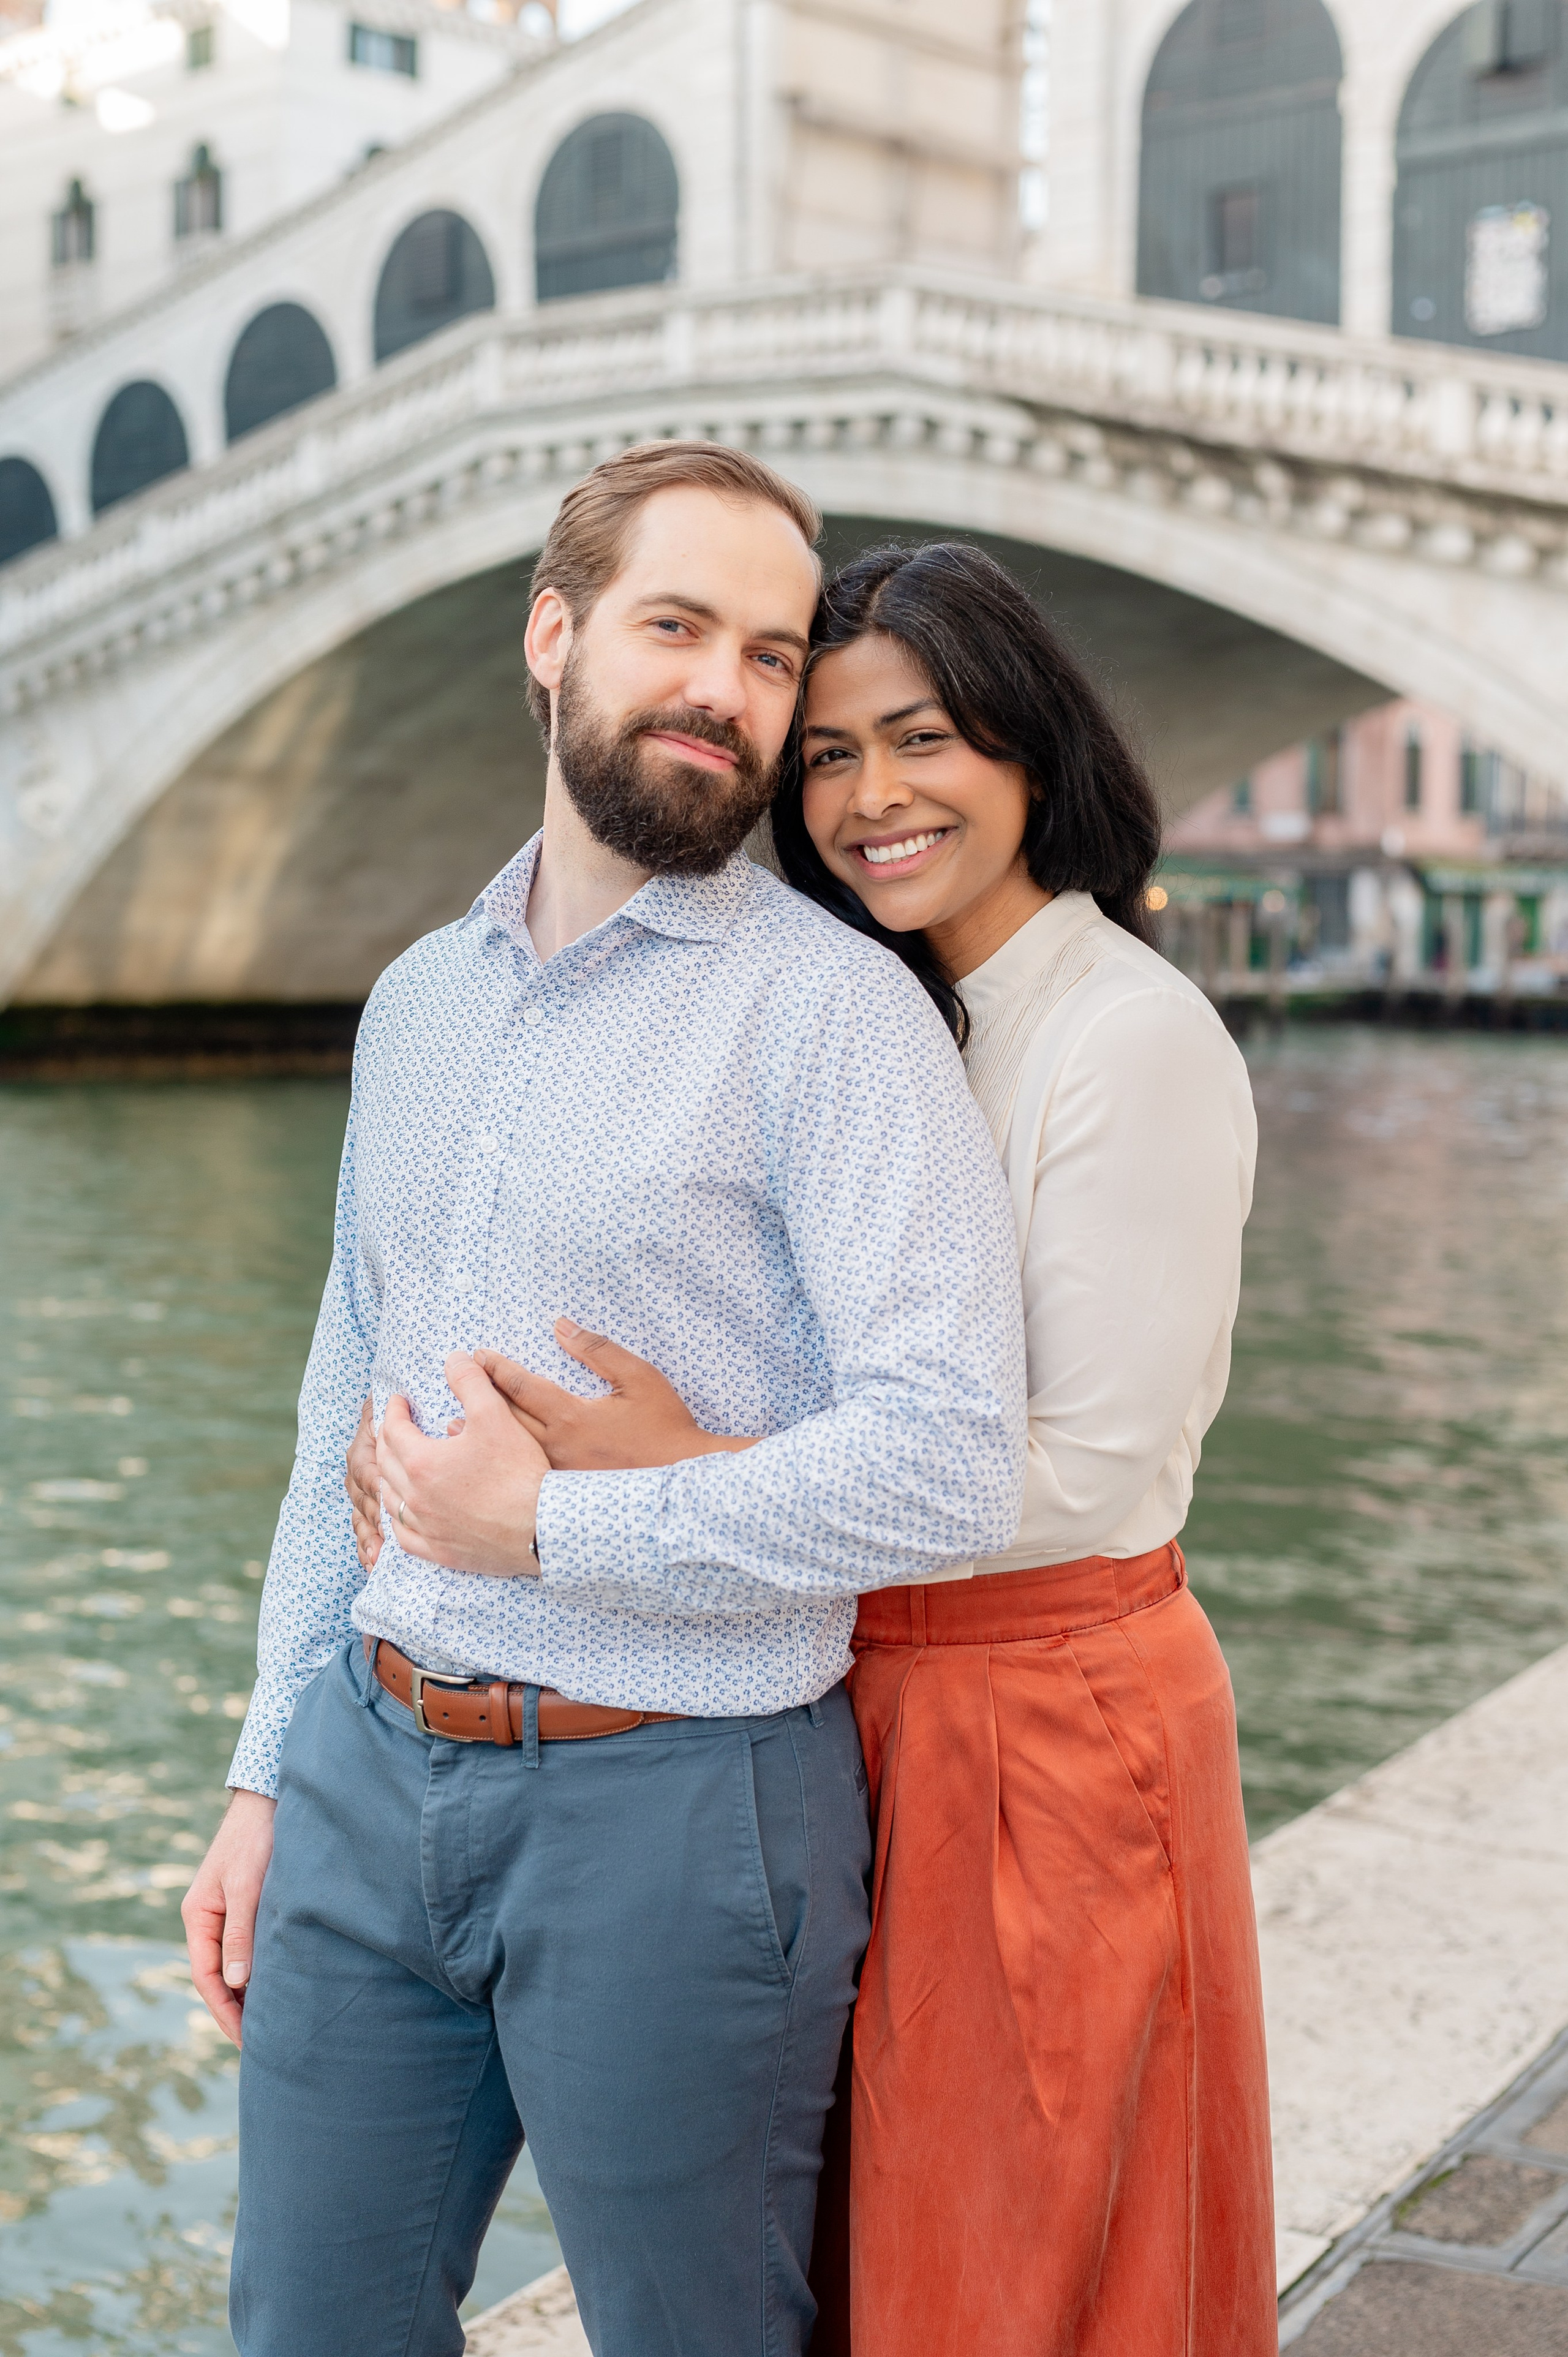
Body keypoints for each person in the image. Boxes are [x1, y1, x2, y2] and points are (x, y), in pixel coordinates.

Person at [384, 539, 1278, 2355]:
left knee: (1014, 2249)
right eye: (833, 759)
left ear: (1030, 749)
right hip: (849, 1690)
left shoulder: (1126, 1037)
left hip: (1041, 1720)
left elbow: (1083, 1476)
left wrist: (652, 1475)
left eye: (925, 739)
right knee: (860, 2256)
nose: (873, 799)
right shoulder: (886, 1015)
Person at [182, 450, 1028, 2357]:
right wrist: (262, 1769)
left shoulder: (834, 1018)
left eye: (768, 651)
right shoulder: (415, 1000)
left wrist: (556, 1528)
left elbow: (951, 1458)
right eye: (677, 627)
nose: (726, 688)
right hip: (363, 1775)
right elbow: (348, 1385)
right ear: (554, 638)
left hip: (689, 1804)